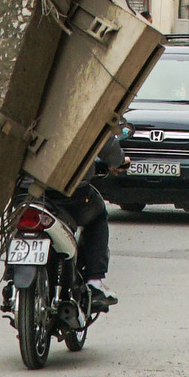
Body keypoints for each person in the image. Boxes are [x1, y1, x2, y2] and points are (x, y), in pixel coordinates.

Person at [45, 131, 127, 308]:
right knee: (98, 215)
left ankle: (11, 280)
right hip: (72, 193)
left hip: (26, 193)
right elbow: (103, 138)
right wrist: (118, 161)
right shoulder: (77, 105)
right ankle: (95, 282)